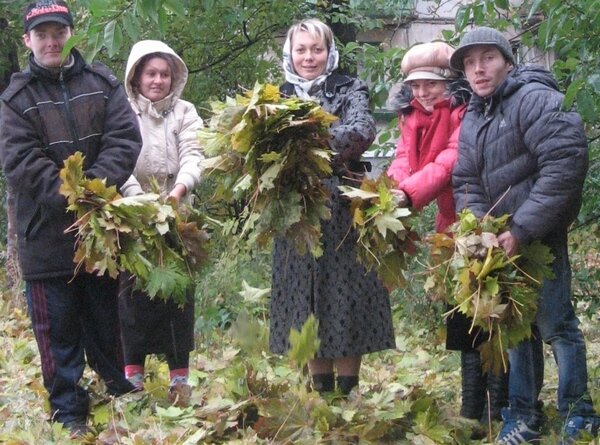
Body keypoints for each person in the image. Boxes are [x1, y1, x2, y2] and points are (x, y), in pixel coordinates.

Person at [450, 26, 599, 444]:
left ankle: (578, 412)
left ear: (507, 62)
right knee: (516, 328)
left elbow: (564, 164)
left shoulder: (535, 99)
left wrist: (521, 228)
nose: (478, 69)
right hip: (500, 243)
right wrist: (483, 231)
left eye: (487, 58)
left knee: (556, 325)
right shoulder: (475, 115)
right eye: (469, 62)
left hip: (539, 237)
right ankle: (523, 416)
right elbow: (466, 180)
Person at [0, 0, 142, 437]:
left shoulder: (102, 83)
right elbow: (21, 162)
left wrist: (95, 187)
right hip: (47, 237)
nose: (51, 41)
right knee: (56, 331)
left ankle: (121, 395)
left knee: (107, 321)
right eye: (41, 34)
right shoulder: (15, 99)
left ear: (70, 34)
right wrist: (73, 196)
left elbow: (124, 138)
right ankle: (68, 413)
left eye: (58, 31)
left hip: (101, 235)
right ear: (28, 40)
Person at [269, 18, 395, 396]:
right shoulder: (274, 96)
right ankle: (321, 389)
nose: (309, 57)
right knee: (303, 296)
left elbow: (360, 130)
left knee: (345, 294)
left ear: (329, 52)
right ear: (290, 53)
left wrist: (305, 142)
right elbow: (264, 148)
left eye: (317, 49)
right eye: (302, 49)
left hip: (343, 205)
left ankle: (349, 389)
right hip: (295, 209)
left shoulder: (350, 87)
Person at [387, 41, 508, 429]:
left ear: (448, 82)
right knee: (461, 317)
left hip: (483, 216)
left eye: (431, 85)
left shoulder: (463, 109)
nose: (422, 93)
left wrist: (408, 194)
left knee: (491, 313)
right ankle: (472, 410)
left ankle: (499, 407)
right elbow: (405, 158)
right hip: (448, 223)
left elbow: (449, 160)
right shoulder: (412, 116)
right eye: (415, 86)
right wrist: (389, 191)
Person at [118, 40, 204, 407]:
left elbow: (195, 153)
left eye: (164, 74)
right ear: (136, 76)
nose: (157, 80)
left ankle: (179, 378)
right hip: (131, 215)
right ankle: (132, 378)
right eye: (150, 73)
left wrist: (178, 192)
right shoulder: (121, 112)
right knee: (131, 297)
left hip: (178, 213)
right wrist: (140, 201)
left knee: (178, 296)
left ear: (174, 78)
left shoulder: (185, 112)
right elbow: (117, 156)